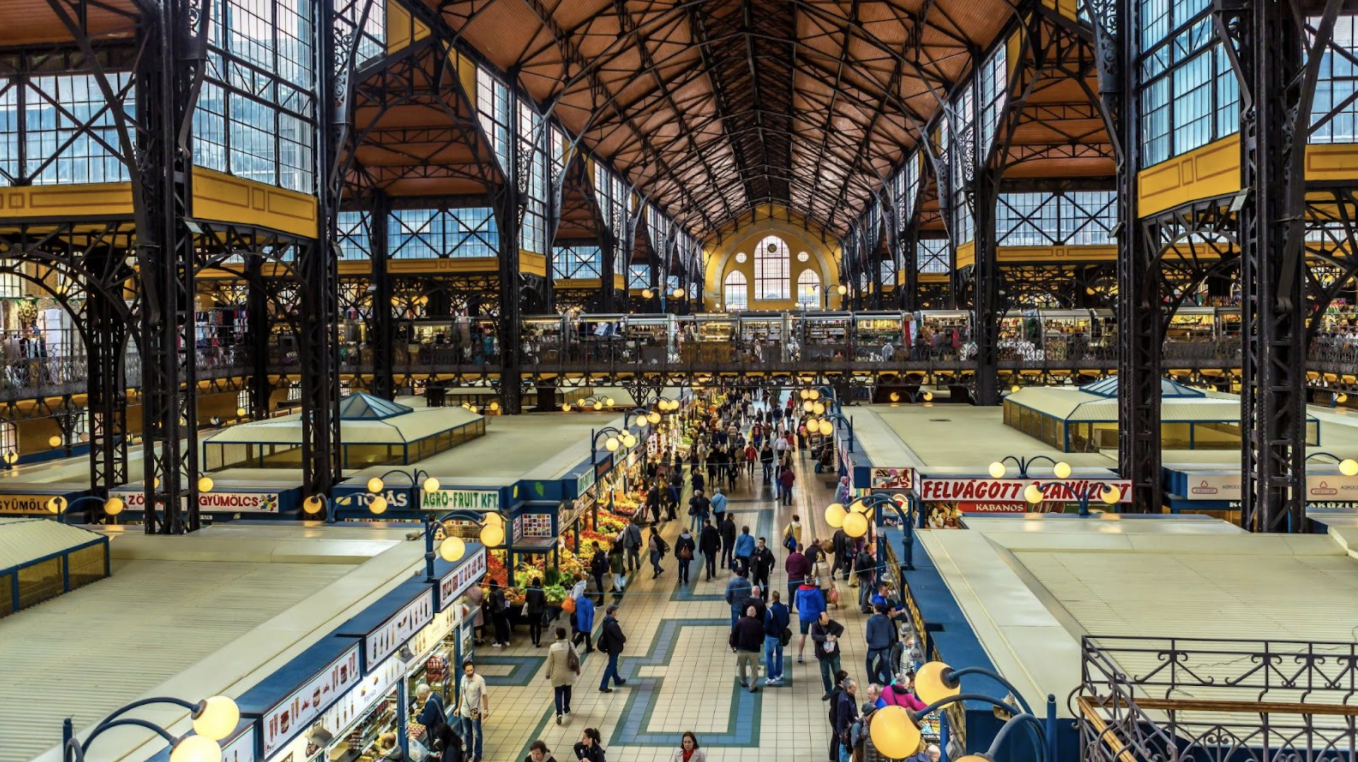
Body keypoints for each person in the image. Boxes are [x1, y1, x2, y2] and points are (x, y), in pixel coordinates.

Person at [453, 660, 488, 762]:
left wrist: (485, 709)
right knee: (467, 733)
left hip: (474, 710)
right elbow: (461, 695)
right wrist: (458, 708)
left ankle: (478, 754)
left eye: (471, 670)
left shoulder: (479, 680)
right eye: (467, 671)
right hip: (464, 710)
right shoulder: (463, 679)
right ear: (464, 671)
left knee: (477, 733)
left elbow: (484, 695)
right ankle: (468, 753)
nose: (470, 672)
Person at [545, 627, 580, 725]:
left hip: (557, 674)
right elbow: (577, 657)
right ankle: (567, 709)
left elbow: (549, 662)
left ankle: (559, 713)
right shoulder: (570, 645)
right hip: (569, 672)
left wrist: (547, 673)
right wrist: (577, 669)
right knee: (568, 690)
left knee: (558, 693)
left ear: (557, 635)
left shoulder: (553, 647)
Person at [812, 610, 846, 699]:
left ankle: (838, 691)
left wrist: (836, 636)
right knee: (825, 674)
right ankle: (829, 691)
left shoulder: (831, 623)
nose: (826, 623)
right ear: (819, 620)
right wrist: (825, 638)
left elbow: (841, 628)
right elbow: (814, 636)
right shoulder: (815, 625)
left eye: (827, 621)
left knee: (837, 673)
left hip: (834, 654)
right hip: (823, 655)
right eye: (824, 622)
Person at [730, 604, 765, 692]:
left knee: (741, 666)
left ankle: (742, 681)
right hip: (754, 650)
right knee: (754, 668)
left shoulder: (740, 622)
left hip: (741, 648)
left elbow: (734, 634)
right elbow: (762, 636)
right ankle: (752, 686)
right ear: (755, 614)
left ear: (746, 613)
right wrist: (759, 642)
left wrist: (733, 645)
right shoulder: (758, 623)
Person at [865, 603, 899, 686]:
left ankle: (872, 682)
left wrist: (870, 642)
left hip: (873, 646)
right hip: (885, 646)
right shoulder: (887, 620)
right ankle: (887, 685)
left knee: (869, 662)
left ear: (875, 609)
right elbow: (892, 635)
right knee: (886, 664)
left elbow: (868, 636)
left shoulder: (871, 620)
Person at [597, 604, 628, 693]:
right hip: (614, 647)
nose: (616, 612)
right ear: (612, 612)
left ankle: (617, 679)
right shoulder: (612, 624)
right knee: (611, 666)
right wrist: (623, 639)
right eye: (615, 611)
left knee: (613, 664)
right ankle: (603, 685)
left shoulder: (606, 620)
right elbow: (619, 635)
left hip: (610, 646)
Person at [764, 590, 790, 686]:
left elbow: (766, 626)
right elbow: (788, 620)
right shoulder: (785, 608)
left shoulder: (770, 611)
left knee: (769, 656)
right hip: (781, 636)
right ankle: (778, 674)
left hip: (771, 637)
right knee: (779, 655)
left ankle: (771, 677)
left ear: (772, 598)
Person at [835, 678, 860, 762]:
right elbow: (843, 717)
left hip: (849, 725)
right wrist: (850, 726)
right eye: (854, 687)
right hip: (845, 730)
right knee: (844, 749)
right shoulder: (844, 700)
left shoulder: (848, 695)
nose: (856, 689)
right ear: (848, 688)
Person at [785, 543, 811, 612]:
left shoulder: (790, 557)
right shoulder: (804, 559)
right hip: (800, 580)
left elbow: (787, 567)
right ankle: (801, 608)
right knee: (802, 595)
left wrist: (790, 573)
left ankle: (790, 609)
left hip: (791, 579)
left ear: (795, 549)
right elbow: (807, 570)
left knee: (791, 595)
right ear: (802, 550)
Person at [487, 580, 511, 647]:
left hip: (496, 612)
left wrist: (486, 603)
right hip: (503, 610)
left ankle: (499, 642)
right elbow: (503, 600)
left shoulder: (492, 593)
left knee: (498, 627)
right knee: (504, 625)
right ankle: (507, 640)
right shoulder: (501, 591)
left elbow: (492, 604)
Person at [526, 578, 548, 648]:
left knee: (532, 625)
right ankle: (538, 642)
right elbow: (543, 600)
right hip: (539, 611)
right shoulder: (540, 590)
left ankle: (533, 640)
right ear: (539, 583)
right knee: (538, 626)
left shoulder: (529, 590)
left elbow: (526, 599)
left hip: (531, 610)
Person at [855, 544, 876, 612]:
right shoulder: (867, 556)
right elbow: (874, 563)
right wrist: (871, 555)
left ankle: (862, 601)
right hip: (866, 576)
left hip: (860, 575)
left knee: (861, 588)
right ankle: (864, 608)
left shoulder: (860, 554)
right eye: (871, 548)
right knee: (866, 591)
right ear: (868, 548)